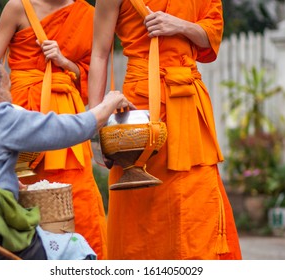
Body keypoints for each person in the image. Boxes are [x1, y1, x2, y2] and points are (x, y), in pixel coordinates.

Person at [0, 52, 134, 260]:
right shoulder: (1, 117)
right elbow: (70, 129)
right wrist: (109, 103)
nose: (10, 97)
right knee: (76, 249)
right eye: (8, 88)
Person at [88, 0, 243, 259]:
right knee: (140, 206)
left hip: (188, 103)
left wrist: (180, 26)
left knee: (199, 202)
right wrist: (94, 124)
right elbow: (99, 54)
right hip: (140, 107)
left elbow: (212, 35)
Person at [0, 0, 108, 259]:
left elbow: (87, 74)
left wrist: (64, 61)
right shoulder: (18, 7)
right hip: (23, 113)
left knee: (79, 195)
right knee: (22, 192)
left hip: (67, 118)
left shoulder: (87, 14)